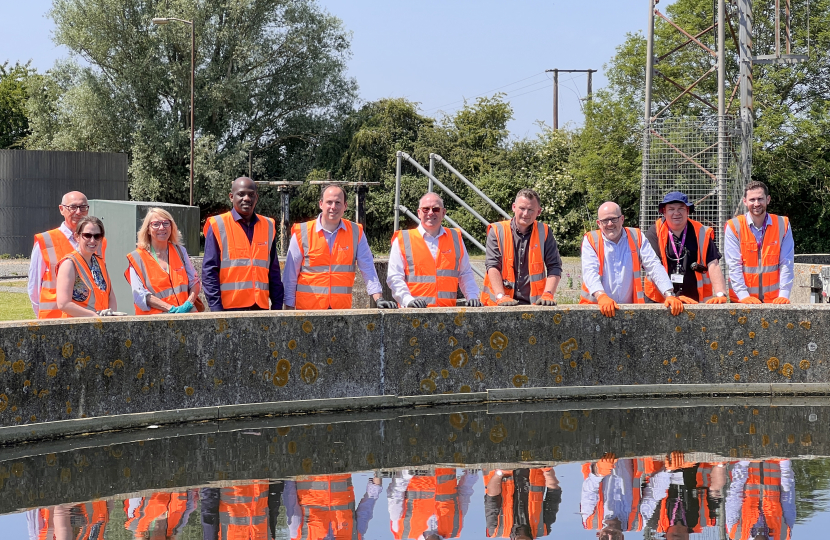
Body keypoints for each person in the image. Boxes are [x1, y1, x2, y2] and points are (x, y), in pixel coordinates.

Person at [283, 184, 395, 310]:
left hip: (341, 310)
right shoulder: (302, 232)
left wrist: (378, 298)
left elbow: (368, 268)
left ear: (345, 206)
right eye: (329, 202)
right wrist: (289, 308)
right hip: (307, 311)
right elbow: (290, 276)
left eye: (338, 202)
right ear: (321, 204)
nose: (333, 207)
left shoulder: (356, 232)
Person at [580, 202, 684, 318]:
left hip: (629, 311)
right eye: (605, 220)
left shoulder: (636, 236)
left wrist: (669, 294)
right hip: (596, 309)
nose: (610, 224)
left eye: (614, 219)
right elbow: (590, 271)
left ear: (622, 219)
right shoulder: (591, 240)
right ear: (599, 223)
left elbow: (654, 266)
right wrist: (600, 295)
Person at [202, 177, 284, 311]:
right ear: (231, 196)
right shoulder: (218, 225)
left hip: (260, 308)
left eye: (251, 195)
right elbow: (209, 272)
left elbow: (274, 272)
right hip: (229, 309)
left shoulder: (268, 225)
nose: (247, 198)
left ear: (256, 198)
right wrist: (216, 309)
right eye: (241, 194)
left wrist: (277, 307)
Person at [387, 193, 482, 308]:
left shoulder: (455, 238)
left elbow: (465, 273)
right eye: (426, 209)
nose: (430, 213)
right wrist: (408, 300)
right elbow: (394, 277)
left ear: (443, 213)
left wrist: (472, 296)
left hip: (447, 313)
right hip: (413, 313)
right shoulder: (403, 239)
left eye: (436, 209)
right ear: (419, 213)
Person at [28, 191, 106, 319]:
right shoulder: (46, 241)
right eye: (73, 207)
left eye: (83, 207)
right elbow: (34, 287)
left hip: (91, 318)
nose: (78, 212)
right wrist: (41, 318)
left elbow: (101, 282)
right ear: (61, 209)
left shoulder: (98, 242)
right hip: (55, 320)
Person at [481, 189, 562, 307]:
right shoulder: (497, 230)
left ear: (538, 212)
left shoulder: (544, 231)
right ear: (514, 207)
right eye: (522, 208)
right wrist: (500, 296)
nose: (525, 214)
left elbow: (554, 265)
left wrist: (548, 294)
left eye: (530, 210)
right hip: (498, 305)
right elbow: (493, 266)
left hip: (534, 305)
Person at [644, 192, 728, 304]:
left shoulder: (702, 232)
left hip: (694, 300)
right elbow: (654, 267)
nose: (676, 213)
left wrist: (721, 294)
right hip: (660, 300)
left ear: (687, 210)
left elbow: (713, 264)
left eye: (681, 209)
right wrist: (671, 295)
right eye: (671, 209)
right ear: (664, 212)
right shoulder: (654, 232)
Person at [724, 181, 794, 304]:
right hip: (742, 302)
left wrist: (784, 294)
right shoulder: (734, 226)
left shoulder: (783, 224)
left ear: (768, 199)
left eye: (760, 199)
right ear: (745, 201)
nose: (756, 204)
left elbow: (786, 263)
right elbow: (734, 265)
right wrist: (743, 296)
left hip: (774, 302)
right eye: (752, 200)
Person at [125, 209, 201, 315]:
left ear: (171, 226)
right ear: (148, 229)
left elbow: (195, 282)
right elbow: (140, 295)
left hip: (186, 317)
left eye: (166, 223)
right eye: (155, 224)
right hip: (156, 324)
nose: (162, 227)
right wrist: (171, 309)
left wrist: (188, 304)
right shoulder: (137, 257)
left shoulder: (180, 251)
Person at [285, 473, 381, 540]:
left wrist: (289, 473)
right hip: (341, 466)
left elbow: (290, 501)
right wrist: (376, 483)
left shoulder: (301, 536)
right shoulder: (354, 536)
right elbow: (366, 509)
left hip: (308, 468)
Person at [387, 468, 477, 540]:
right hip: (446, 462)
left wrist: (406, 473)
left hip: (416, 465)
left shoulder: (403, 530)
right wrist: (471, 475)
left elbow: (395, 495)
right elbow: (464, 493)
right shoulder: (454, 528)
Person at [55, 216, 118, 318]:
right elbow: (63, 304)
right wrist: (94, 316)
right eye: (87, 235)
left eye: (97, 236)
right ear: (77, 237)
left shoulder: (100, 263)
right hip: (77, 327)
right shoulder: (69, 264)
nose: (92, 240)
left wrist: (110, 316)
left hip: (100, 326)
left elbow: (111, 297)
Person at [726, 460, 794, 540]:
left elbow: (734, 496)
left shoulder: (737, 535)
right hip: (775, 464)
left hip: (747, 466)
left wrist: (743, 464)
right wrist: (784, 464)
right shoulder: (783, 535)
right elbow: (788, 496)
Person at [484, 468, 561, 539]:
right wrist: (547, 471)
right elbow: (553, 493)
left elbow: (492, 497)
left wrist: (499, 473)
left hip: (499, 469)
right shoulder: (543, 527)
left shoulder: (495, 530)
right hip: (534, 466)